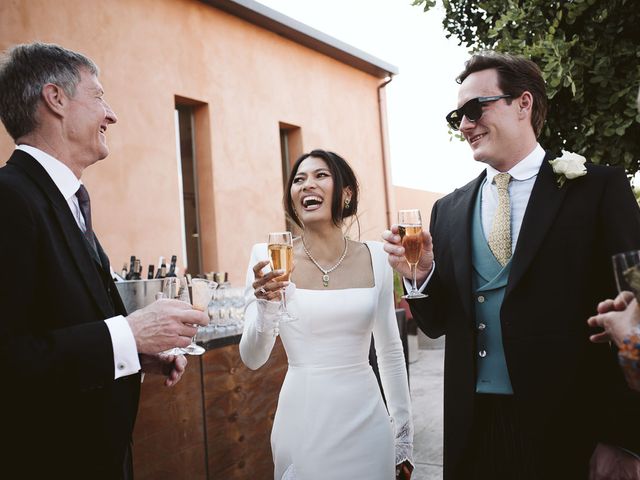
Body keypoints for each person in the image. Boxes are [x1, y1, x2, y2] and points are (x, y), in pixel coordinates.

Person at [383, 51, 640, 479]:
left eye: (474, 109)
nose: (464, 125)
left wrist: (624, 437)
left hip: (573, 432)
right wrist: (421, 275)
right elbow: (438, 323)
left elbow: (636, 313)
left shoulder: (598, 189)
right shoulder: (448, 210)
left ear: (524, 104)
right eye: (456, 116)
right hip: (474, 430)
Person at [0, 43, 209, 479]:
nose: (111, 114)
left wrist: (134, 352)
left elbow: (61, 327)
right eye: (98, 97)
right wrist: (129, 332)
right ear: (55, 100)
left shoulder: (64, 200)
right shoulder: (10, 199)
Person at [240, 149, 413, 479]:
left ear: (346, 193)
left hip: (368, 422)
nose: (307, 185)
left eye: (321, 176)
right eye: (299, 180)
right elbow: (252, 358)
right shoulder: (268, 258)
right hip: (303, 420)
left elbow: (390, 351)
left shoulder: (377, 256)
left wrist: (404, 437)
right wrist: (266, 307)